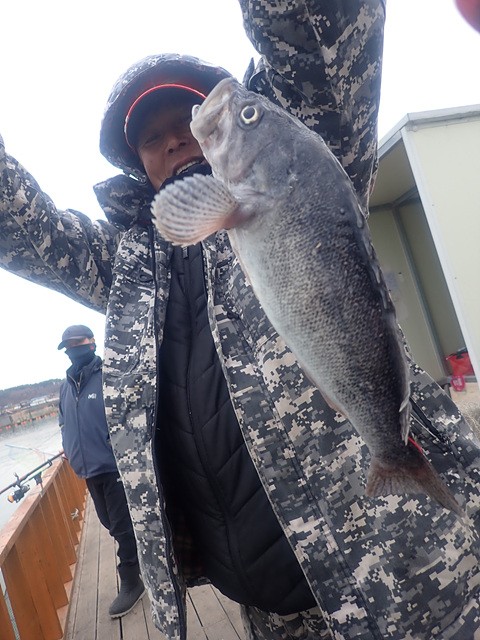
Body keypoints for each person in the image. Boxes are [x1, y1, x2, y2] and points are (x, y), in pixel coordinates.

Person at [2, 2, 480, 638]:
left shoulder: (298, 163)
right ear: (138, 162)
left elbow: (316, 37)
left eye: (185, 117)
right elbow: (23, 227)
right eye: (150, 137)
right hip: (266, 614)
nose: (174, 139)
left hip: (403, 583)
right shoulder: (127, 267)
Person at [57, 324, 145, 618]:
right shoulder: (65, 386)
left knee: (121, 526)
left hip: (114, 465)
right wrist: (68, 446)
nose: (73, 349)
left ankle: (132, 581)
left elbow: (131, 414)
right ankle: (146, 556)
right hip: (88, 470)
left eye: (77, 343)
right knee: (110, 523)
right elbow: (63, 421)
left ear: (92, 343)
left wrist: (116, 445)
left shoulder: (109, 377)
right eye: (68, 346)